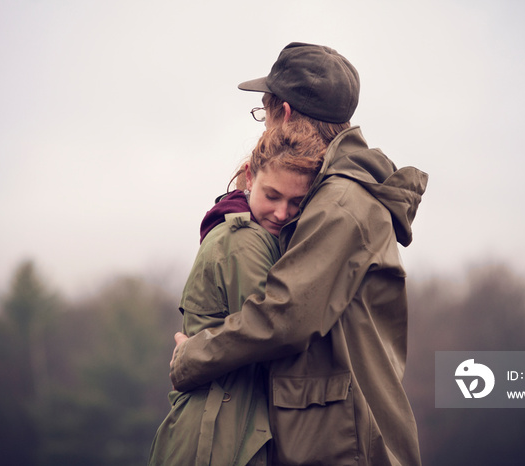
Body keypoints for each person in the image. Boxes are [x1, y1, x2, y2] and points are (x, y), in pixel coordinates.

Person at [170, 42, 428, 465]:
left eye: (264, 112)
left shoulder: (341, 204)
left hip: (347, 445)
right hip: (336, 437)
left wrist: (191, 356)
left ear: (283, 114)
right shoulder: (330, 195)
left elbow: (286, 316)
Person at [147, 120, 328, 466]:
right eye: (271, 195)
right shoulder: (244, 240)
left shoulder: (260, 234)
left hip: (226, 424)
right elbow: (277, 333)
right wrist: (192, 356)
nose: (280, 212)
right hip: (219, 434)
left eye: (295, 202)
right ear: (249, 176)